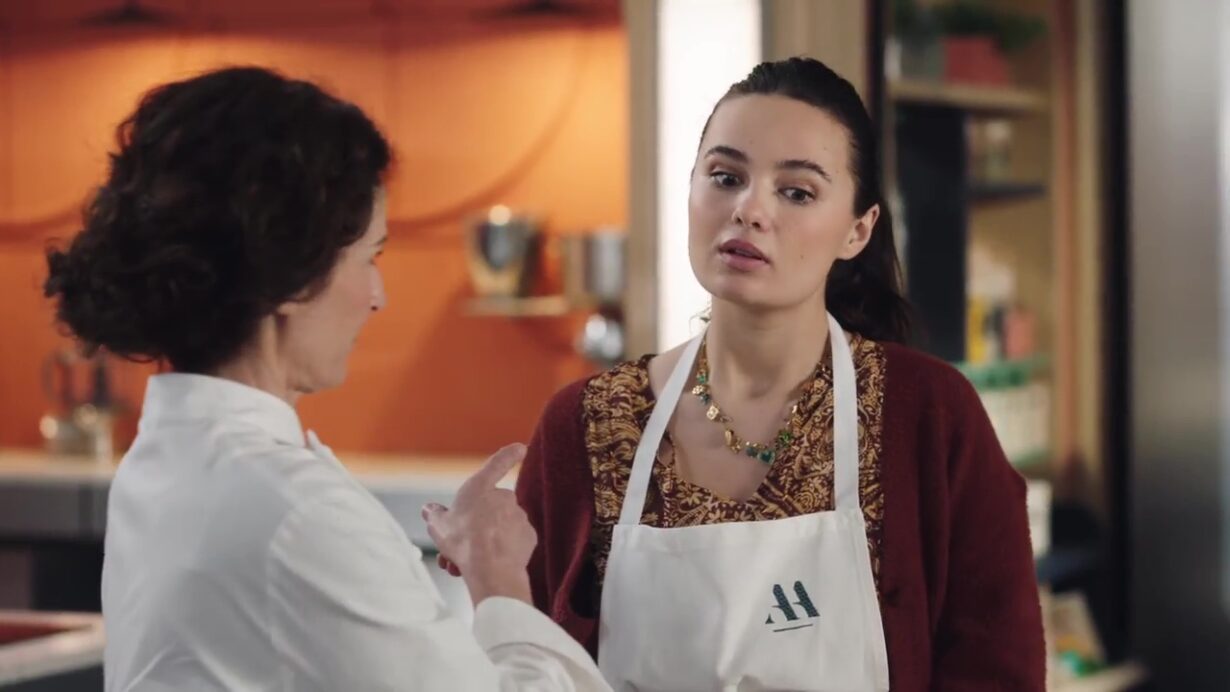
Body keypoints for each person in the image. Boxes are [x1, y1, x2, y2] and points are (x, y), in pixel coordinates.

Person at [44, 66, 609, 691]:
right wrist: (497, 577)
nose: (378, 295)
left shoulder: (163, 462)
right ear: (292, 276)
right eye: (370, 257)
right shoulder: (296, 513)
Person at [516, 57, 1046, 691]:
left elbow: (998, 672)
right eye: (725, 177)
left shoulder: (928, 412)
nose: (749, 209)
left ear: (857, 230)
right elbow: (531, 666)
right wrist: (493, 577)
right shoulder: (588, 425)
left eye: (797, 191)